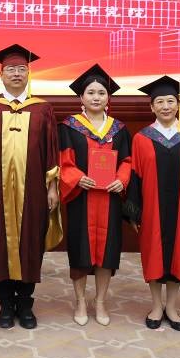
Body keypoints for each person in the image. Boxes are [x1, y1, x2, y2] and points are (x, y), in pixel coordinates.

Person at [0, 44, 62, 330]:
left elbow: (52, 152)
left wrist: (52, 188)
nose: (17, 74)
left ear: (29, 73)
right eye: (11, 69)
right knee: (1, 244)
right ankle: (6, 305)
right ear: (1, 74)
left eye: (22, 69)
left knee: (31, 243)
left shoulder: (43, 109)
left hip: (34, 191)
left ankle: (26, 304)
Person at [127, 76, 180, 331]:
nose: (165, 106)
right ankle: (156, 306)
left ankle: (172, 308)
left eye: (170, 101)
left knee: (179, 257)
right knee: (153, 255)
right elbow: (135, 177)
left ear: (178, 105)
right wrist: (134, 212)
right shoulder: (141, 138)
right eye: (160, 102)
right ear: (151, 107)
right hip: (151, 211)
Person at [58, 64, 132, 326]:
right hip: (81, 197)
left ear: (108, 97)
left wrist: (121, 180)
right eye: (91, 93)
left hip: (109, 199)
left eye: (101, 93)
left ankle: (100, 301)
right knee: (80, 251)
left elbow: (127, 161)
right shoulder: (69, 127)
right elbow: (64, 161)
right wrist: (77, 178)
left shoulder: (119, 129)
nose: (96, 97)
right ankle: (80, 301)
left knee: (107, 252)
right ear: (81, 97)